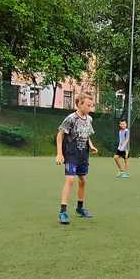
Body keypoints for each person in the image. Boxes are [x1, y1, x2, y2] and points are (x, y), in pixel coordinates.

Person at [55, 92, 98, 225]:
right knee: (70, 179)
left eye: (91, 105)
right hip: (71, 153)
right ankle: (63, 211)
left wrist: (91, 146)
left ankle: (80, 208)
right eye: (88, 105)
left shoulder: (89, 119)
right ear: (79, 104)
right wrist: (59, 154)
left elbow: (87, 135)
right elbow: (60, 135)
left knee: (82, 180)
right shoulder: (71, 118)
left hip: (83, 154)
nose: (90, 108)